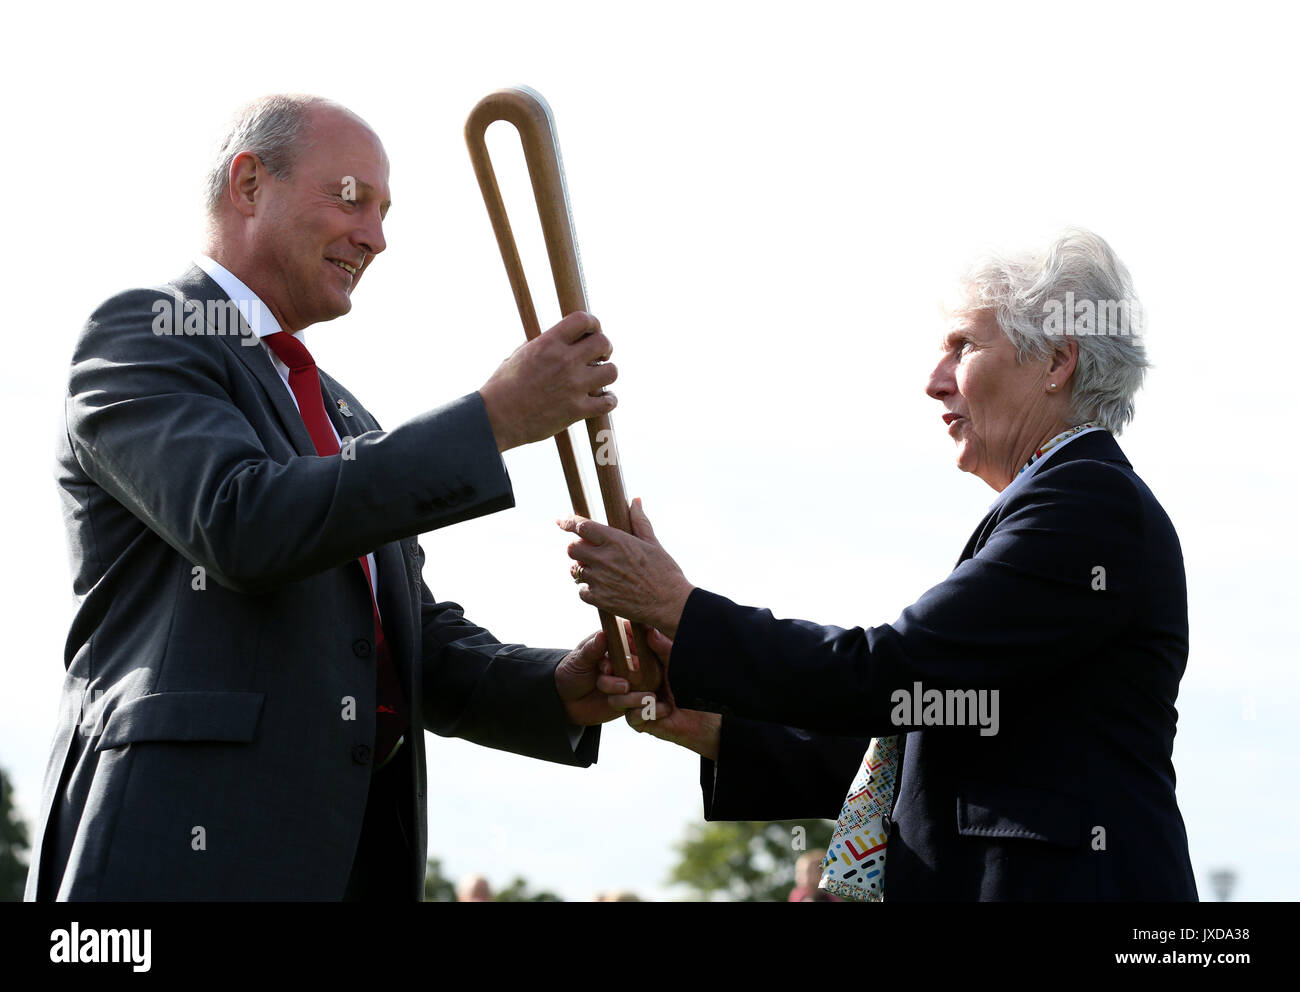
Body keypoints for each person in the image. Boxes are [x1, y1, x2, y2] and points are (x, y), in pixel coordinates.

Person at [26, 94, 632, 901]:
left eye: (385, 214)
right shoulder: (147, 331)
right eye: (353, 199)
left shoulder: (345, 413)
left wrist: (551, 685)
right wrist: (493, 420)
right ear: (249, 184)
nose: (376, 238)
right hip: (176, 859)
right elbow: (241, 521)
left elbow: (399, 636)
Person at [564, 229, 1198, 900]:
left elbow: (888, 672)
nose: (933, 381)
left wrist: (680, 610)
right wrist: (718, 725)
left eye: (963, 346)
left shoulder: (1085, 503)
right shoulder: (1068, 500)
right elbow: (921, 742)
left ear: (1057, 361)